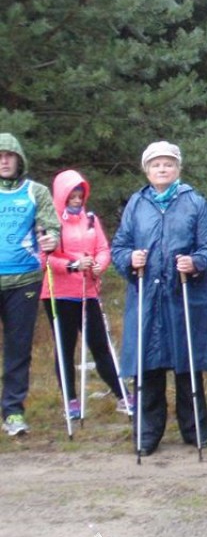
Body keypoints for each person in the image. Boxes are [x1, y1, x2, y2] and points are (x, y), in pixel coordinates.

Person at [111, 141, 207, 456]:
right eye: (156, 164)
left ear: (178, 169)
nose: (162, 169)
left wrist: (196, 262)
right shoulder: (137, 203)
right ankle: (147, 435)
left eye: (168, 164)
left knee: (188, 365)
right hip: (147, 297)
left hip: (183, 294)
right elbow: (118, 246)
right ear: (147, 170)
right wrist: (129, 259)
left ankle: (195, 430)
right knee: (148, 366)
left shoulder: (195, 202)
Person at [42, 170, 130, 418]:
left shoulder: (90, 219)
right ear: (62, 196)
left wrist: (98, 266)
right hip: (58, 294)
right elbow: (45, 259)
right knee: (65, 347)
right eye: (72, 196)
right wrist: (72, 265)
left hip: (88, 291)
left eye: (80, 195)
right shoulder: (50, 222)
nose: (77, 200)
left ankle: (122, 394)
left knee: (100, 345)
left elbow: (103, 249)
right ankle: (70, 400)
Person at [0, 134, 60, 436]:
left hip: (24, 280)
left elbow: (51, 226)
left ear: (19, 158)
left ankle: (12, 412)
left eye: (9, 155)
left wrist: (50, 238)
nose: (4, 160)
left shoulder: (35, 191)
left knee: (18, 348)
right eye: (0, 156)